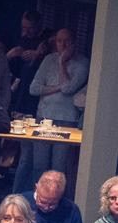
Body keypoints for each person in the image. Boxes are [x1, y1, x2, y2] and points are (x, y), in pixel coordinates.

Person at [14, 28, 89, 194]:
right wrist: (56, 88)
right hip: (43, 118)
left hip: (66, 120)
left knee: (59, 167)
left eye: (66, 41)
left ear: (74, 42)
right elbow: (33, 88)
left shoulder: (83, 63)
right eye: (59, 40)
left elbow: (69, 88)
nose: (62, 44)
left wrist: (62, 62)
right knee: (39, 165)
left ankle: (57, 201)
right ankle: (36, 199)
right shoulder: (48, 59)